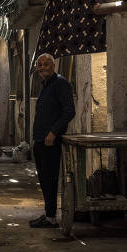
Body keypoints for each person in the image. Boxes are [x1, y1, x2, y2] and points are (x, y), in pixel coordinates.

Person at [29, 54, 75, 228]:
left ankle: (51, 217)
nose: (42, 67)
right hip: (40, 140)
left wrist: (53, 132)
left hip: (50, 141)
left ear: (53, 65)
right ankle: (49, 215)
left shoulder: (60, 84)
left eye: (46, 64)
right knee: (44, 179)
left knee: (50, 179)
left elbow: (69, 111)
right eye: (39, 65)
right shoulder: (45, 85)